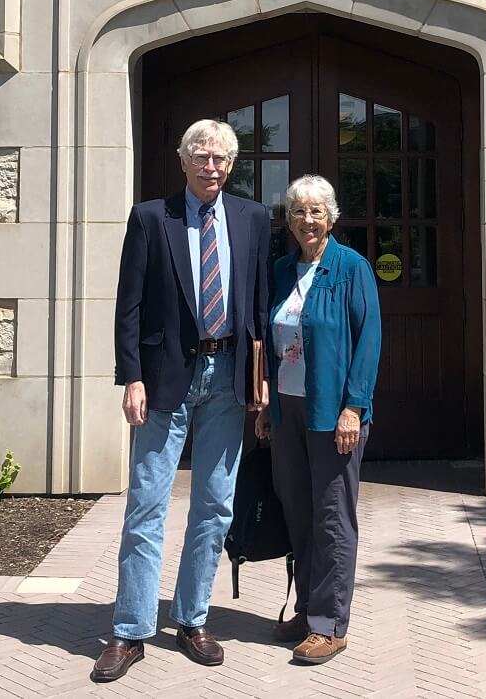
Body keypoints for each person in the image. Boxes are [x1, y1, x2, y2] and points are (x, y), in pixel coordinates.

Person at [92, 119, 270, 683]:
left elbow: (259, 305)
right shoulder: (151, 217)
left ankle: (193, 619)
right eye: (201, 156)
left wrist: (260, 376)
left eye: (221, 157)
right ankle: (131, 630)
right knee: (146, 504)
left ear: (231, 164)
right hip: (166, 377)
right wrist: (132, 377)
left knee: (215, 506)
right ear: (182, 159)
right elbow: (129, 305)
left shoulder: (253, 218)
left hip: (228, 374)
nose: (211, 166)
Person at [255, 175, 381, 665]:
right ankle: (308, 608)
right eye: (297, 211)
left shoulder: (352, 268)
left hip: (334, 413)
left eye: (315, 211)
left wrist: (355, 406)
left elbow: (368, 342)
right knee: (298, 511)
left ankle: (330, 624)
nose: (306, 220)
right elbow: (273, 340)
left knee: (332, 517)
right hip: (288, 410)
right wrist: (267, 402)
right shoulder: (283, 269)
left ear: (332, 216)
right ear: (288, 220)